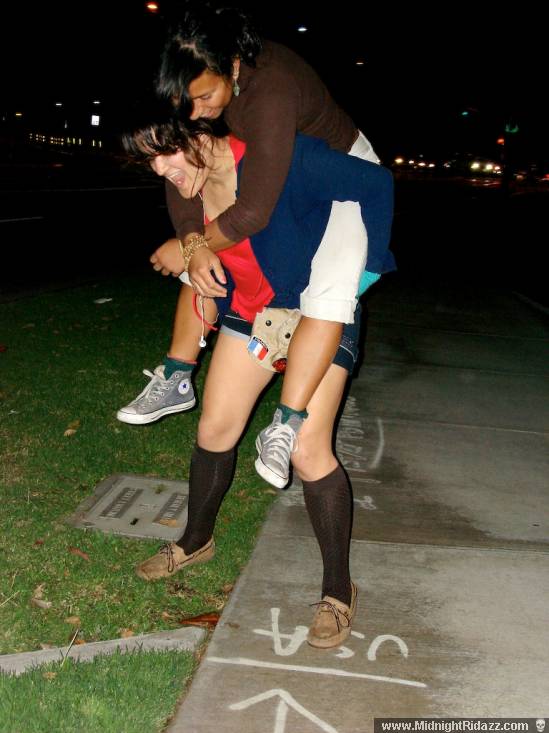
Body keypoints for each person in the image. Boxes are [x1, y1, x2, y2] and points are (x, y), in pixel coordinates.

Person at [123, 113, 394, 648]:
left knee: (308, 451)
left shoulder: (286, 157)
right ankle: (195, 540)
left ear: (200, 134)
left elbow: (377, 183)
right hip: (250, 315)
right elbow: (199, 240)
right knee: (214, 429)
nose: (160, 169)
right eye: (150, 160)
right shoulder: (185, 185)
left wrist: (365, 272)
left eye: (165, 153)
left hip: (317, 316)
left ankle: (337, 589)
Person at [148, 1, 382, 488]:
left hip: (343, 180)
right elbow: (182, 161)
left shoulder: (269, 90)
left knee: (326, 297)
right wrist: (192, 241)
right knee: (212, 264)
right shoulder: (204, 91)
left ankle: (288, 422)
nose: (197, 111)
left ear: (230, 63)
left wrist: (189, 247)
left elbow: (253, 212)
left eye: (205, 97)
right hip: (291, 174)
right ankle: (177, 372)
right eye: (188, 101)